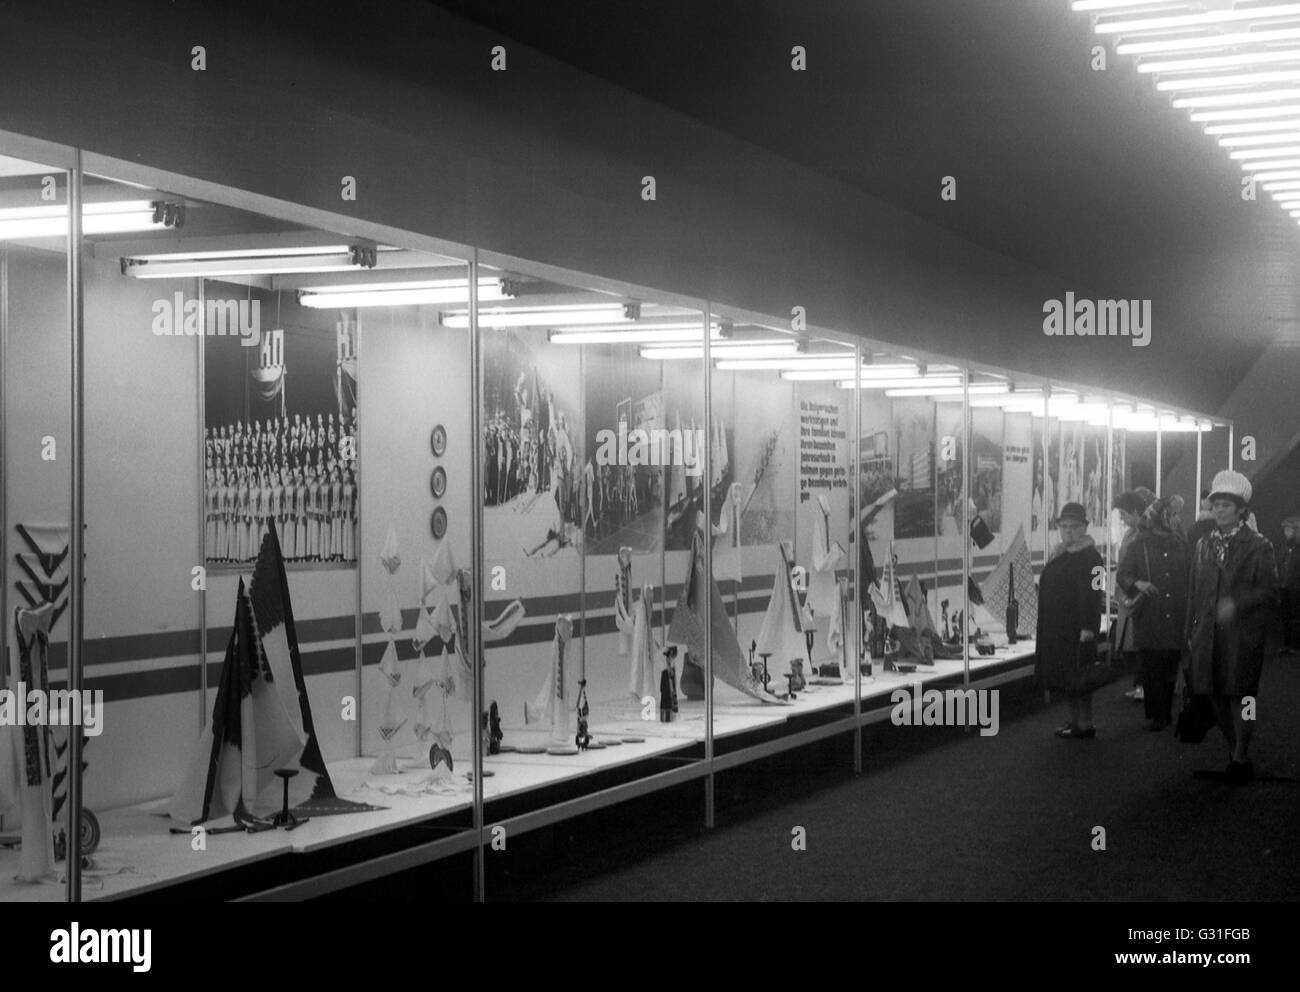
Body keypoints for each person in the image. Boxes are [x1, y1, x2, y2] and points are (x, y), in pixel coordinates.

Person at [1184, 470, 1278, 784]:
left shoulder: (1259, 546)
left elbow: (1268, 591)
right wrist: (1190, 630)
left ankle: (1241, 754)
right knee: (1215, 695)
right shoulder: (1203, 544)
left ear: (1240, 509)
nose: (1219, 510)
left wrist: (1236, 603)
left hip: (1242, 635)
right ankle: (1234, 749)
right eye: (1216, 504)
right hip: (1207, 633)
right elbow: (1194, 592)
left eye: (1225, 505)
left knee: (1242, 695)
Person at [1118, 495, 1189, 731]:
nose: (1177, 519)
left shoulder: (1181, 544)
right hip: (1150, 614)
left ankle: (1165, 711)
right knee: (1152, 667)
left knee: (1169, 664)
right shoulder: (1139, 545)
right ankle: (1157, 714)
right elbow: (1123, 574)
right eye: (1173, 514)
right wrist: (1137, 583)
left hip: (1175, 613)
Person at [1035, 502, 1104, 739]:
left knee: (1081, 678)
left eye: (1074, 526)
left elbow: (1096, 595)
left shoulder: (1093, 558)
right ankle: (1075, 722)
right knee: (1068, 678)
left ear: (1084, 527)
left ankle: (1085, 723)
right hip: (1057, 628)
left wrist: (1089, 627)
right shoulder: (1060, 554)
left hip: (1078, 629)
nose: (1068, 531)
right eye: (1063, 527)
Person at [1114, 489, 1154, 702]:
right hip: (1130, 590)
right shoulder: (1132, 533)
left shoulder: (1143, 535)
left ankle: (1144, 685)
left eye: (1123, 513)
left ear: (1135, 511)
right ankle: (1140, 684)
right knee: (1136, 642)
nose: (1121, 518)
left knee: (1140, 641)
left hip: (1138, 594)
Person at [1279, 516, 1300, 652]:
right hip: (1285, 587)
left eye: (1289, 529)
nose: (1286, 532)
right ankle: (1287, 644)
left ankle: (1295, 646)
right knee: (1285, 617)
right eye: (1285, 529)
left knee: (1296, 617)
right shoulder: (1284, 547)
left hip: (1297, 588)